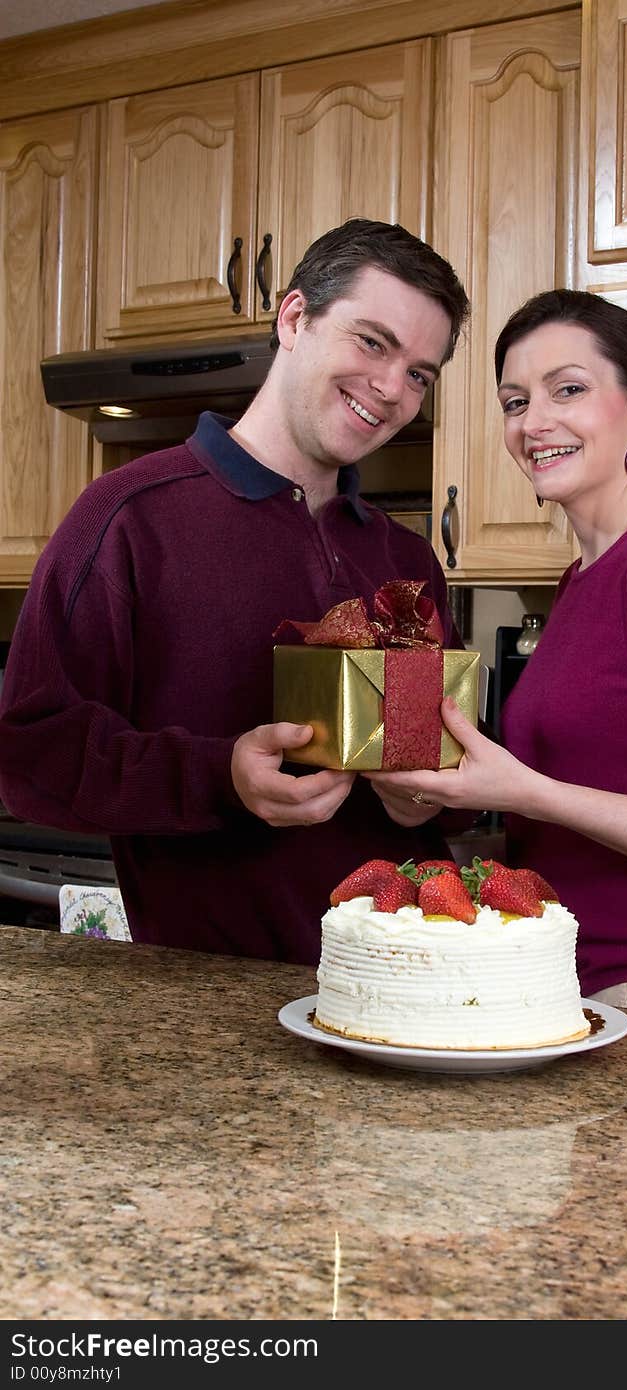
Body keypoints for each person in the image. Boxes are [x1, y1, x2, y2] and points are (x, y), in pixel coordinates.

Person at [0, 219, 470, 962]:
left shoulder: (404, 554)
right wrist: (221, 777)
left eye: (419, 373)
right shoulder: (127, 518)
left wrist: (425, 797)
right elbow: (29, 760)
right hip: (212, 1002)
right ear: (293, 318)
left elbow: (438, 765)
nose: (390, 388)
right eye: (372, 342)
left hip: (405, 986)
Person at [366, 289, 627, 1023]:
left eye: (569, 390)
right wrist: (431, 791)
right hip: (571, 991)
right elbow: (572, 807)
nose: (534, 423)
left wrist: (523, 789)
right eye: (515, 402)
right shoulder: (585, 576)